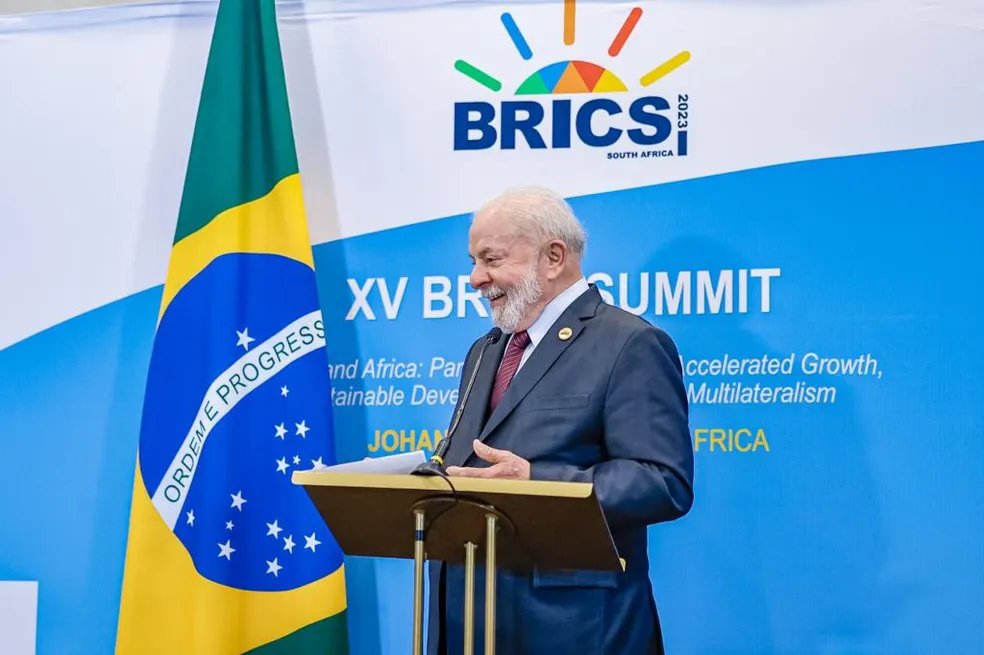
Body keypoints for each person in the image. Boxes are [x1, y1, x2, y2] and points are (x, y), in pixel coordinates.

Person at [426, 187, 695, 655]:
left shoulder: (630, 344)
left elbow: (664, 482)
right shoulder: (486, 350)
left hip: (574, 628)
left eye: (491, 260)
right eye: (472, 261)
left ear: (553, 257)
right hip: (470, 619)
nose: (474, 279)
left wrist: (536, 479)